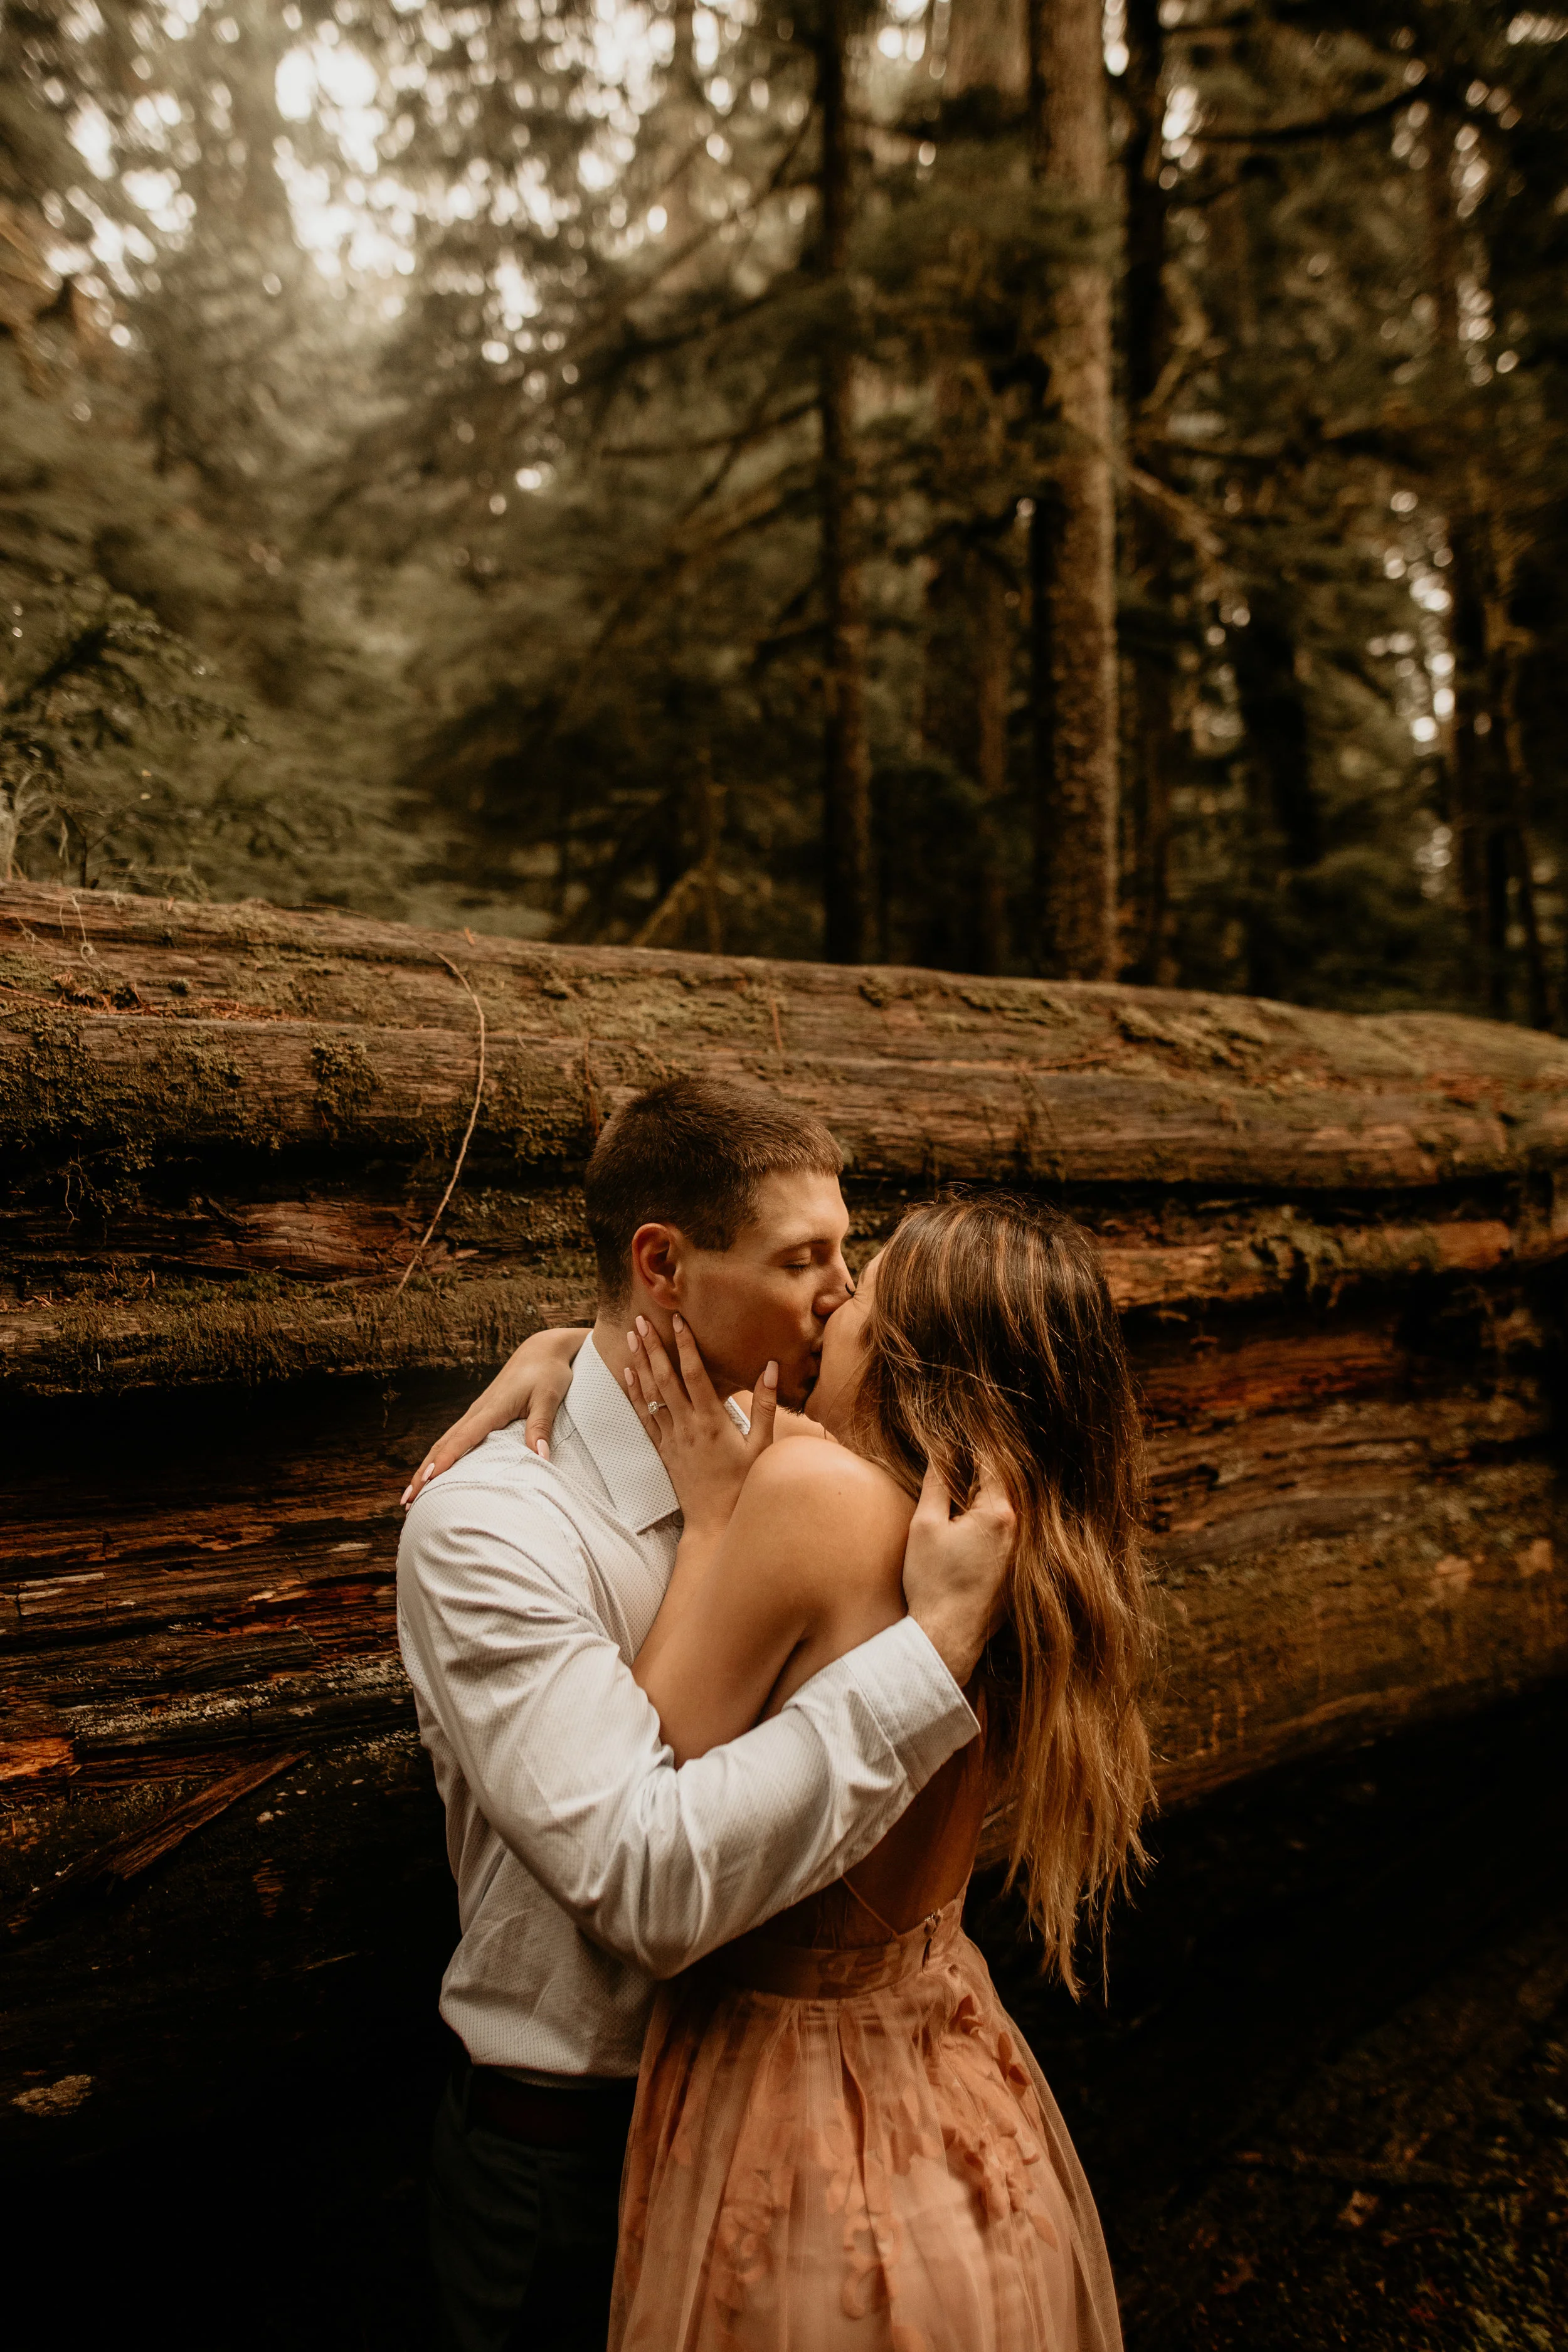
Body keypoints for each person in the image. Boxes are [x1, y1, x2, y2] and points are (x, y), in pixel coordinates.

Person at [396, 1079, 1017, 2352]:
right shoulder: (493, 1530)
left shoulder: (808, 1447)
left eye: (845, 1252)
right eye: (803, 1260)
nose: (842, 1296)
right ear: (662, 1265)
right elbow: (640, 1887)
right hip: (568, 2164)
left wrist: (574, 1346)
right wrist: (930, 1655)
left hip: (785, 2141)